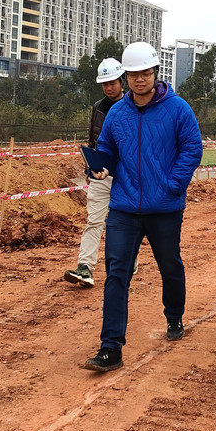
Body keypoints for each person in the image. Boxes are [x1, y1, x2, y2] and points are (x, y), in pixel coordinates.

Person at [83, 42, 203, 373]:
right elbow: (106, 147)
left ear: (155, 73)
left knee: (170, 265)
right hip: (124, 206)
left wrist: (173, 184)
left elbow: (192, 149)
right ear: (126, 77)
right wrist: (99, 166)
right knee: (116, 272)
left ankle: (174, 314)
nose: (139, 80)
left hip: (164, 207)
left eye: (145, 73)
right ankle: (111, 347)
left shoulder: (178, 109)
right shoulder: (117, 113)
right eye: (133, 74)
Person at [64, 57, 125, 288]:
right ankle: (85, 267)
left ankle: (129, 257)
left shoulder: (133, 105)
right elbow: (93, 140)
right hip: (100, 174)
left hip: (126, 176)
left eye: (112, 82)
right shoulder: (98, 108)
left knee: (123, 223)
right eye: (105, 83)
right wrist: (89, 168)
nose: (109, 87)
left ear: (121, 81)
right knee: (94, 221)